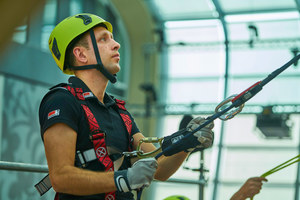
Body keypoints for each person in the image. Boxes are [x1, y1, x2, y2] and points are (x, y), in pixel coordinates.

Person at [38, 13, 214, 200]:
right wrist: (123, 178)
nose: (116, 44)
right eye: (103, 39)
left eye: (112, 38)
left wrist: (187, 144)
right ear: (81, 54)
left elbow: (160, 169)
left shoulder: (119, 112)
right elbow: (60, 177)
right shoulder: (62, 101)